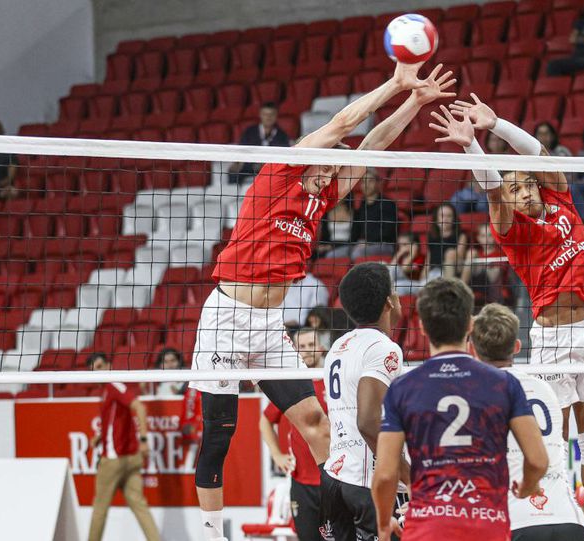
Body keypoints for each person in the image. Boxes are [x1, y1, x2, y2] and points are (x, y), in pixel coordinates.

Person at [190, 62, 456, 541]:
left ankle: (336, 527)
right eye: (330, 157)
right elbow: (342, 126)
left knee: (317, 425)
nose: (336, 164)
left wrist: (414, 104)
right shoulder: (281, 174)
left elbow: (373, 147)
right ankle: (211, 534)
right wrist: (395, 84)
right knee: (218, 436)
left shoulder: (325, 191)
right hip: (225, 318)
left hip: (270, 325)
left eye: (338, 161)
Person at [433, 94, 584, 541]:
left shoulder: (562, 202)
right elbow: (493, 188)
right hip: (553, 338)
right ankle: (560, 517)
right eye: (517, 189)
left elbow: (543, 157)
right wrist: (472, 147)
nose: (526, 190)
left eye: (527, 185)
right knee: (559, 439)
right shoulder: (511, 229)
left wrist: (497, 124)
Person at [371, 278, 548, 541]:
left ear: (422, 327)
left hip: (428, 528)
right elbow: (537, 460)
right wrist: (528, 486)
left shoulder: (403, 388)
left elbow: (385, 475)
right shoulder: (504, 384)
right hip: (487, 527)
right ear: (470, 325)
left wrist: (384, 523)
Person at [470, 303, 584, 541]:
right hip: (569, 520)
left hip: (516, 520)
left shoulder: (476, 392)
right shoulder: (544, 388)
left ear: (472, 350)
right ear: (516, 346)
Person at [320, 263, 407, 540]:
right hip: (365, 482)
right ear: (389, 303)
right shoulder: (383, 348)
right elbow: (368, 422)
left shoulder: (339, 346)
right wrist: (409, 475)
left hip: (335, 477)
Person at [258, 328, 327, 541]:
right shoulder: (292, 385)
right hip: (302, 483)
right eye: (302, 346)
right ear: (295, 351)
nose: (307, 350)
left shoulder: (333, 382)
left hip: (332, 479)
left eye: (311, 344)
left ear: (322, 348)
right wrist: (277, 455)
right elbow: (265, 422)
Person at [86, 352, 160, 541]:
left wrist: (143, 440)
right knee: (140, 507)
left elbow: (140, 408)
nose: (97, 371)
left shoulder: (114, 386)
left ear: (109, 365)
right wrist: (99, 437)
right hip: (130, 458)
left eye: (100, 366)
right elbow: (115, 421)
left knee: (99, 509)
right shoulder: (106, 390)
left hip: (114, 459)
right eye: (93, 368)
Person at [227, 103, 292, 184]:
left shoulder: (282, 135)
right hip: (250, 167)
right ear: (260, 115)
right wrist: (237, 163)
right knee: (233, 173)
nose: (268, 117)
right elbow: (241, 150)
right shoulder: (249, 132)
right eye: (265, 114)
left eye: (271, 114)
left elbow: (284, 156)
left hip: (271, 169)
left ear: (276, 116)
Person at [350, 168, 399, 259]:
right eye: (363, 182)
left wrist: (367, 242)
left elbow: (387, 232)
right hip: (362, 244)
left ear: (378, 183)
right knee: (331, 255)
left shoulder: (388, 204)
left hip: (384, 245)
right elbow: (355, 231)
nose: (366, 185)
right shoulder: (361, 206)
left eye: (370, 181)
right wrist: (354, 243)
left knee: (356, 254)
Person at [460, 223, 508, 306]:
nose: (487, 239)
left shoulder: (500, 253)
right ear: (478, 238)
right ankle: (461, 289)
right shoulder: (476, 254)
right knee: (471, 253)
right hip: (476, 282)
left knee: (495, 270)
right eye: (483, 236)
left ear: (495, 237)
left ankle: (493, 303)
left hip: (493, 287)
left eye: (490, 235)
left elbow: (499, 274)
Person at [427, 203, 468, 280]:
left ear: (454, 219)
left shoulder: (461, 236)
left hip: (452, 273)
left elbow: (460, 258)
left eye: (449, 216)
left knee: (450, 252)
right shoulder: (431, 236)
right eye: (442, 216)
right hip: (433, 273)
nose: (445, 219)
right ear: (436, 218)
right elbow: (428, 260)